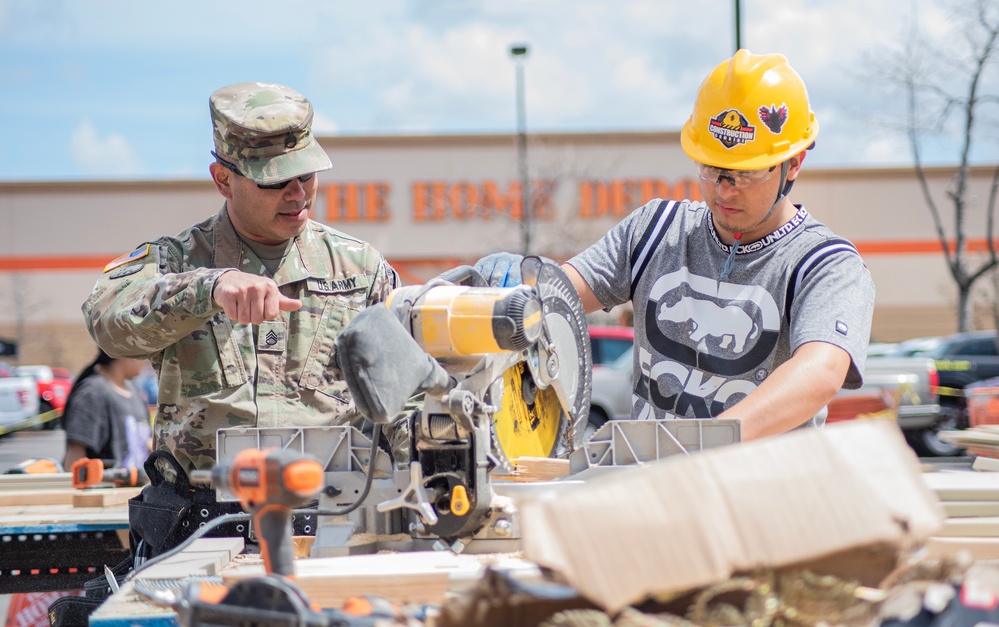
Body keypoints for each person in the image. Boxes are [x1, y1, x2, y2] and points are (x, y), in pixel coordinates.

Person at [476, 49, 875, 441]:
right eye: (710, 168)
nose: (723, 190)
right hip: (657, 491)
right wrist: (519, 292)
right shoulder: (656, 230)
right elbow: (559, 297)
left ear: (794, 164)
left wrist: (709, 442)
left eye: (745, 174)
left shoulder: (825, 265)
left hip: (763, 496)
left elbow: (820, 372)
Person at [81, 82, 402, 559]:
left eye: (307, 175)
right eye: (275, 181)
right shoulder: (178, 262)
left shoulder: (360, 270)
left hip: (335, 526)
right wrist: (207, 288)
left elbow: (404, 394)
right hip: (200, 530)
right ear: (223, 179)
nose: (298, 194)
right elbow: (105, 318)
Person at [62, 349, 151, 470]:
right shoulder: (91, 394)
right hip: (105, 487)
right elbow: (75, 454)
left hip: (136, 486)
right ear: (125, 352)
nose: (147, 360)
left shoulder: (134, 391)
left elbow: (144, 443)